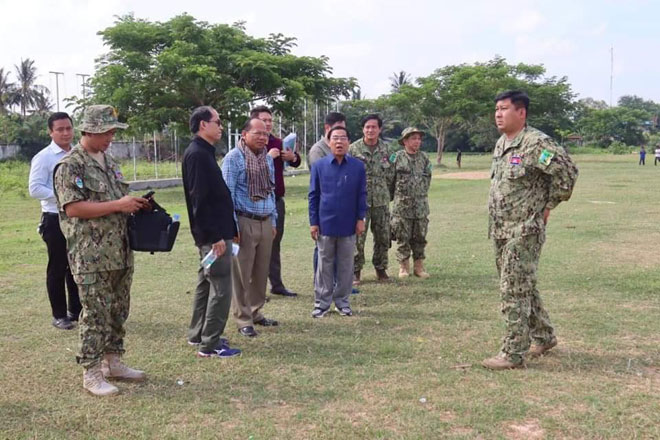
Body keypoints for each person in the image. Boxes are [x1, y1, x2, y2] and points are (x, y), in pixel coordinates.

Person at [53, 105, 151, 396]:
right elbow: (73, 209)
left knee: (118, 309)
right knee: (95, 313)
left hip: (119, 249)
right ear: (90, 130)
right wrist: (118, 205)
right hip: (91, 254)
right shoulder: (71, 165)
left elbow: (116, 199)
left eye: (112, 132)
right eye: (106, 132)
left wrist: (133, 204)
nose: (110, 137)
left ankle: (113, 361)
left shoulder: (109, 162)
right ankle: (92, 372)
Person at [482, 90, 578, 370]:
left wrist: (548, 205)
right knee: (523, 284)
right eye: (496, 109)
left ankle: (513, 353)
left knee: (513, 288)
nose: (498, 114)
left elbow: (567, 173)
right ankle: (545, 336)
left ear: (521, 112)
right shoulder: (502, 143)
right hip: (501, 229)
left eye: (504, 109)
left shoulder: (536, 143)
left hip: (524, 229)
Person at [182, 106, 242, 358]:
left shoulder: (204, 152)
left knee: (205, 282)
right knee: (220, 285)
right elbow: (200, 201)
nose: (221, 126)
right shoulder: (197, 155)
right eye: (217, 122)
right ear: (203, 124)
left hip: (213, 234)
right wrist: (216, 236)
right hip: (213, 237)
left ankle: (198, 334)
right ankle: (211, 343)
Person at [221, 118, 278, 337]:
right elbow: (228, 194)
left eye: (265, 134)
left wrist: (273, 220)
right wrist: (232, 228)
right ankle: (243, 318)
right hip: (244, 221)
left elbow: (271, 190)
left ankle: (255, 312)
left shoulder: (267, 159)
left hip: (265, 221)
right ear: (244, 135)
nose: (263, 138)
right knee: (241, 274)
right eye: (257, 133)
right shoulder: (233, 158)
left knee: (261, 272)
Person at [29, 112, 81, 330]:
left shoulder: (79, 153)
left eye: (68, 128)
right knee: (58, 267)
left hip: (77, 218)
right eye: (60, 129)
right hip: (54, 218)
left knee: (76, 266)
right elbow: (35, 188)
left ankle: (76, 310)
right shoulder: (44, 157)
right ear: (51, 132)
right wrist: (63, 196)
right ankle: (59, 315)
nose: (65, 133)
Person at [309, 126, 366, 318]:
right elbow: (313, 196)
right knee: (324, 264)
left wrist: (360, 219)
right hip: (325, 223)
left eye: (343, 138)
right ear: (328, 141)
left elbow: (361, 195)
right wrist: (313, 222)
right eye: (335, 138)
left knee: (346, 264)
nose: (339, 142)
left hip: (349, 224)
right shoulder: (319, 166)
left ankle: (342, 302)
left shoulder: (358, 167)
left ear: (349, 142)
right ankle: (321, 303)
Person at [250, 105, 301, 298]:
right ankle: (254, 288)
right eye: (264, 120)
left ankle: (276, 284)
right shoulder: (248, 144)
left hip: (276, 200)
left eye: (270, 120)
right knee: (254, 245)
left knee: (274, 242)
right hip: (254, 202)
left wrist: (292, 157)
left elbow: (294, 161)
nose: (268, 124)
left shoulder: (277, 142)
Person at [349, 114, 396, 284]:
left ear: (379, 129)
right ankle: (355, 271)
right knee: (357, 238)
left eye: (374, 127)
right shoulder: (353, 149)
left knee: (383, 237)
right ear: (363, 129)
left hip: (381, 201)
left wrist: (386, 194)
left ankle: (381, 269)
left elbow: (392, 176)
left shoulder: (388, 150)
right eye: (367, 127)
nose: (370, 130)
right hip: (359, 202)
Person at [390, 127, 432, 279]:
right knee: (403, 237)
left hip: (421, 207)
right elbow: (390, 180)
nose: (417, 141)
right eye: (413, 138)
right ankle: (403, 267)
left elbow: (428, 178)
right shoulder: (396, 158)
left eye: (419, 138)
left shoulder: (425, 158)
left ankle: (419, 267)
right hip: (402, 206)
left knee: (420, 237)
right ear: (405, 141)